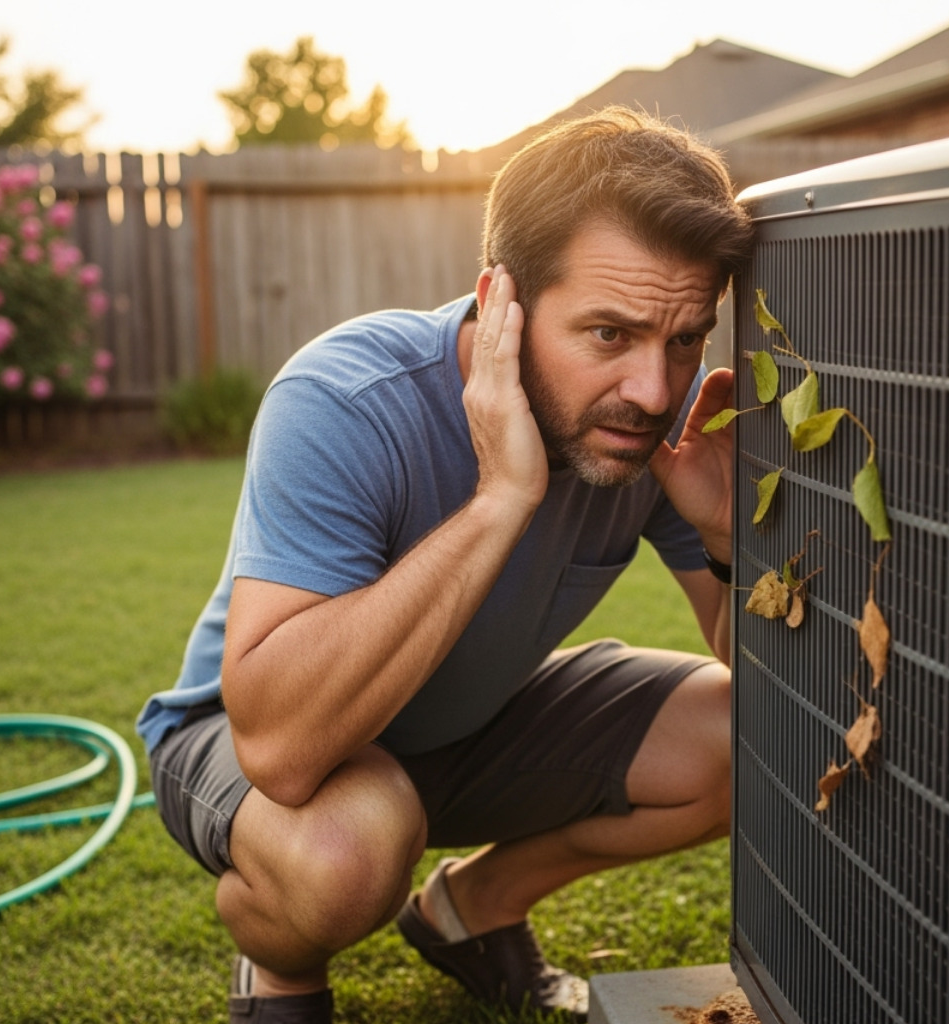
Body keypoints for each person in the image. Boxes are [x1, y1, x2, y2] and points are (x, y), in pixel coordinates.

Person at [136, 106, 752, 1024]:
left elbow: (766, 684)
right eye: (609, 335)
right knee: (346, 851)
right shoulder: (345, 398)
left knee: (746, 738)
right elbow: (281, 749)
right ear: (502, 302)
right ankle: (283, 978)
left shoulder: (654, 432)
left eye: (685, 338)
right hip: (256, 741)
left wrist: (725, 540)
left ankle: (471, 912)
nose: (653, 392)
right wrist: (501, 498)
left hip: (467, 731)